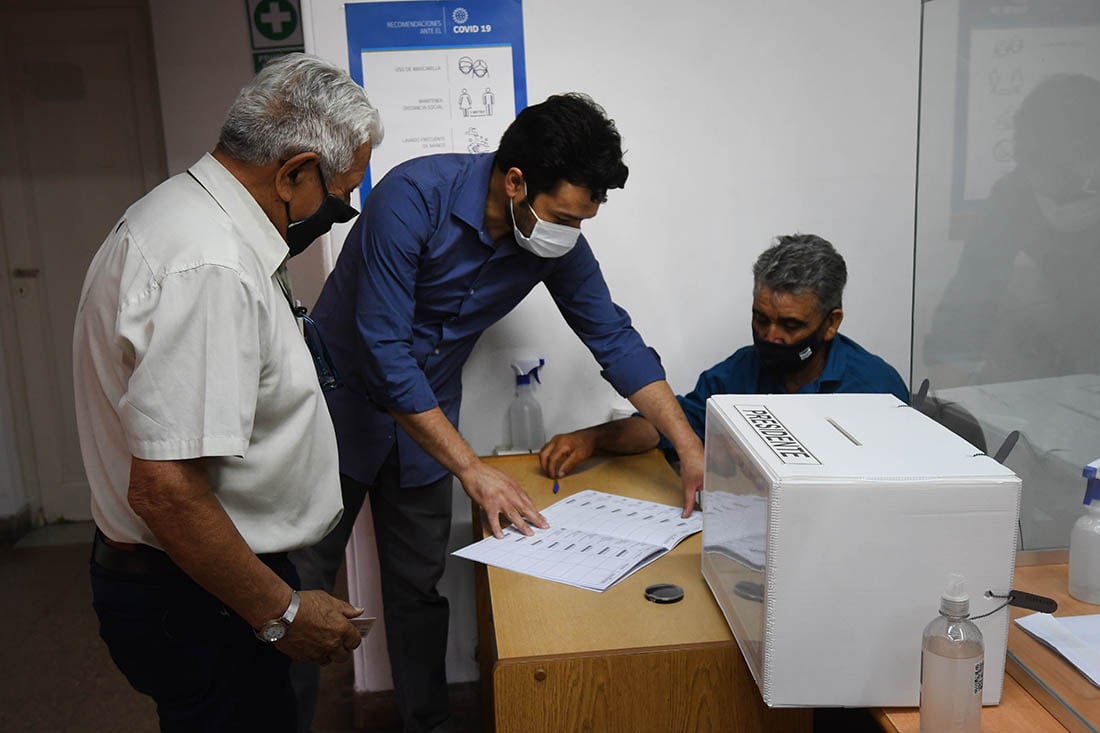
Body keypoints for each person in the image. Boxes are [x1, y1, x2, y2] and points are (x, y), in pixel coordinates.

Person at [291, 93, 704, 733]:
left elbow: (612, 336)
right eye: (562, 214)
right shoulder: (411, 199)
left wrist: (688, 443)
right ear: (515, 182)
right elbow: (385, 351)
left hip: (426, 432)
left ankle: (426, 724)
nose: (568, 234)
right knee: (301, 597)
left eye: (582, 221)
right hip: (336, 417)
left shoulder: (553, 240)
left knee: (418, 592)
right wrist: (472, 470)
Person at [72, 53, 383, 733]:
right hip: (196, 593)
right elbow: (167, 490)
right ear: (295, 171)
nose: (337, 213)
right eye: (338, 196)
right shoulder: (209, 264)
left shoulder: (181, 213)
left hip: (196, 578)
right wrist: (284, 611)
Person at [540, 233, 909, 474]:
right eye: (760, 319)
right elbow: (663, 427)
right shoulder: (739, 373)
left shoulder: (877, 390)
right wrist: (589, 439)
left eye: (791, 326)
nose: (771, 336)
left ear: (831, 324)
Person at [924, 73, 1100, 387]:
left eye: (1049, 166)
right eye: (1027, 161)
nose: (1035, 177)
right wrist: (948, 368)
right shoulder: (1013, 195)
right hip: (1020, 381)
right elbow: (968, 294)